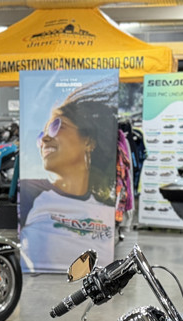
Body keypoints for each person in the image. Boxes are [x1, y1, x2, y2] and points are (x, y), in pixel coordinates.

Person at [19, 76, 117, 273]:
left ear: (88, 141)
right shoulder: (31, 193)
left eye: (56, 126)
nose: (44, 139)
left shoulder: (106, 208)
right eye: (41, 135)